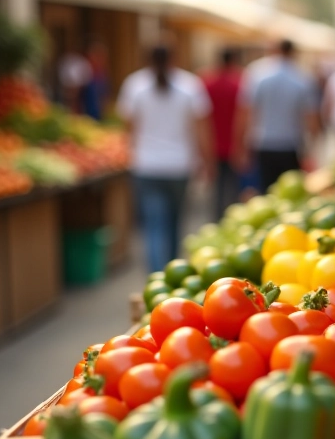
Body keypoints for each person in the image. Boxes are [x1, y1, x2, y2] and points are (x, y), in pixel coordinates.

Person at [118, 45, 216, 273]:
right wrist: (208, 161)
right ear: (175, 57)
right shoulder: (190, 85)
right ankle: (172, 271)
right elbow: (202, 129)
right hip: (179, 165)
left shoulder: (135, 85)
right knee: (175, 223)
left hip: (146, 165)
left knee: (153, 225)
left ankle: (155, 275)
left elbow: (129, 128)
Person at [233, 39, 320, 192]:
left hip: (262, 143)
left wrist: (239, 145)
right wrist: (311, 150)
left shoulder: (257, 73)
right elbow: (311, 118)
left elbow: (246, 112)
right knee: (289, 193)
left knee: (265, 192)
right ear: (293, 53)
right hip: (291, 144)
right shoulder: (302, 76)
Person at [200, 48, 242, 221]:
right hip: (234, 144)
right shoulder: (240, 83)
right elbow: (243, 117)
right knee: (233, 188)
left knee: (216, 189)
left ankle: (217, 219)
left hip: (212, 144)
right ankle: (230, 220)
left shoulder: (206, 82)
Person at [78, 40, 109, 120]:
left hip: (99, 117)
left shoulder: (102, 74)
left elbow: (104, 97)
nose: (100, 59)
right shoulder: (84, 73)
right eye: (97, 56)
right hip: (85, 117)